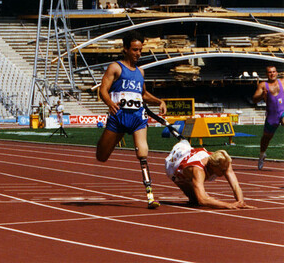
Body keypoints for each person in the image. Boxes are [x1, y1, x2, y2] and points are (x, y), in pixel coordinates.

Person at [96, 32, 167, 209]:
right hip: (118, 118)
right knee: (101, 156)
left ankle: (150, 196)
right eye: (135, 50)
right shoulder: (116, 68)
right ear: (126, 49)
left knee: (142, 153)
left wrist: (160, 101)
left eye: (140, 50)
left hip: (137, 117)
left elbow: (143, 94)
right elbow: (103, 90)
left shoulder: (141, 72)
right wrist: (109, 102)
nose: (138, 53)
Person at [165, 139, 252, 209]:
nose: (226, 172)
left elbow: (235, 186)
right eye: (222, 170)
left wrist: (241, 202)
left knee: (205, 200)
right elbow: (202, 199)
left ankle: (184, 142)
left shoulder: (224, 161)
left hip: (189, 152)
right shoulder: (198, 171)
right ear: (213, 166)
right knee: (195, 200)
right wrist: (228, 205)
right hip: (174, 168)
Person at [251, 65, 284, 170]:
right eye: (270, 72)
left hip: (283, 112)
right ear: (266, 74)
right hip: (272, 116)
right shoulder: (263, 85)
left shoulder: (282, 82)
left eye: (274, 72)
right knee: (266, 139)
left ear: (277, 73)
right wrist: (262, 95)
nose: (272, 74)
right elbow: (254, 100)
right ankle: (262, 155)